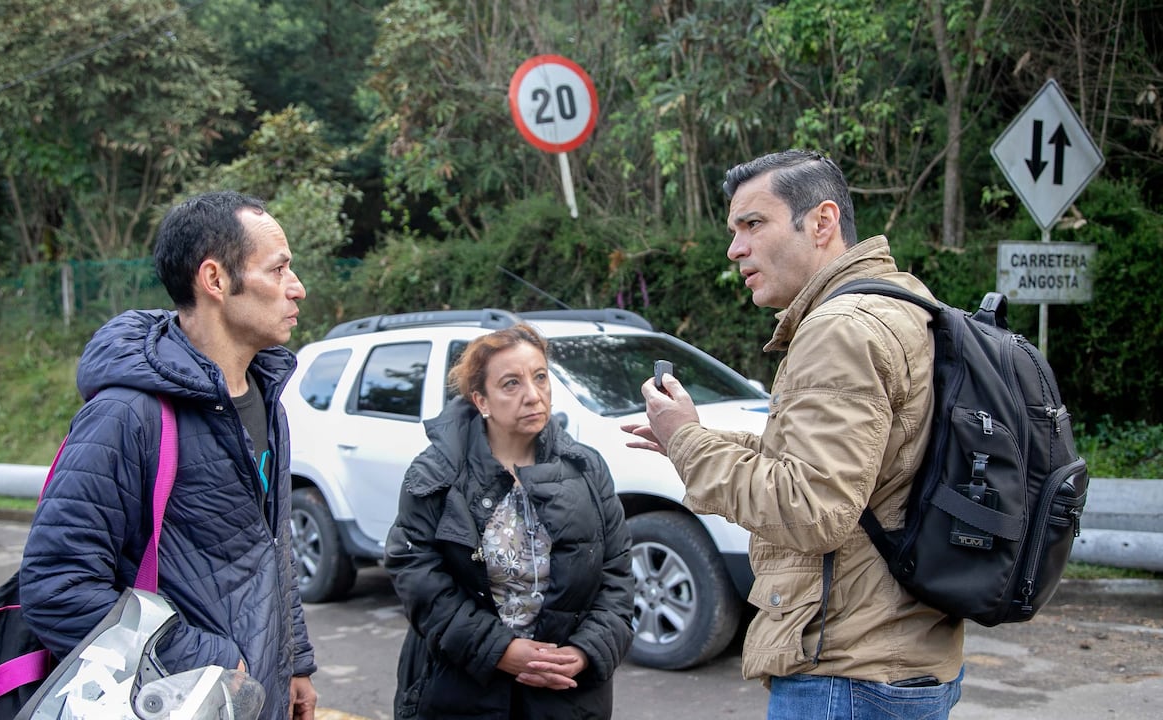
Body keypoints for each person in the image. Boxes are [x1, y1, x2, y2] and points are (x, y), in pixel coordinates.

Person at [621, 150, 964, 719]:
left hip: (846, 673)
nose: (735, 249)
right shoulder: (903, 302)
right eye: (734, 231)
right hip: (904, 653)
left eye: (753, 224)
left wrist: (688, 445)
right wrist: (694, 438)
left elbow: (813, 508)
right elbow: (855, 470)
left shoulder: (840, 329)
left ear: (822, 221)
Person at [17, 191, 318, 719]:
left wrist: (293, 662)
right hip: (183, 701)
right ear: (215, 280)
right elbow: (56, 584)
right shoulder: (126, 415)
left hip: (248, 699)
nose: (298, 288)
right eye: (279, 269)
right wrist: (209, 661)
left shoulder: (267, 396)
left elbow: (271, 547)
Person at [383, 323, 634, 719]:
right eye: (511, 384)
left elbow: (616, 574)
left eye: (540, 378)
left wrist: (585, 652)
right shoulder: (435, 473)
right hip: (461, 691)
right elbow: (417, 578)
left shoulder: (586, 468)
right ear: (481, 400)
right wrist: (498, 650)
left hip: (566, 695)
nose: (533, 396)